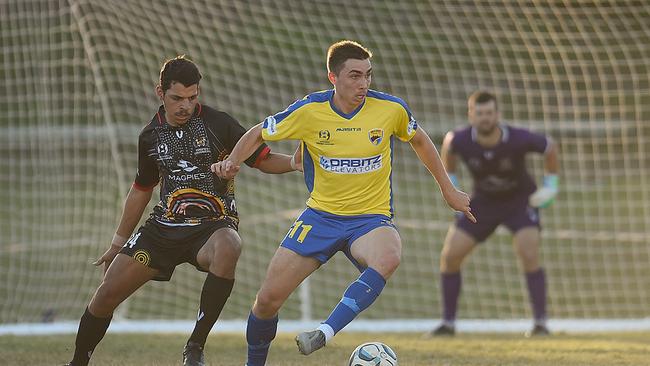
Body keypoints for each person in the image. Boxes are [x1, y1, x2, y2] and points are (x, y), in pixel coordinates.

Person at [211, 40, 474, 365]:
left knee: (389, 255)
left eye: (367, 75)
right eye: (354, 76)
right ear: (333, 77)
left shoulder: (390, 109)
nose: (363, 83)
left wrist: (448, 190)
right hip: (320, 217)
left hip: (370, 218)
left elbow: (420, 140)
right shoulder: (309, 111)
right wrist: (233, 161)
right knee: (266, 301)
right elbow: (257, 133)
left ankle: (325, 332)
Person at [64, 56, 298, 366]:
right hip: (163, 228)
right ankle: (77, 362)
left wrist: (295, 163)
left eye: (192, 97)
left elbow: (263, 159)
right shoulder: (150, 136)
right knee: (106, 295)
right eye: (177, 98)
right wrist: (117, 244)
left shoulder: (219, 123)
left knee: (230, 245)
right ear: (159, 93)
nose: (185, 105)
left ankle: (195, 347)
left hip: (212, 226)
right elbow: (141, 190)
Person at [428, 90, 559, 337]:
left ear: (497, 115)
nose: (484, 118)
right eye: (479, 113)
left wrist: (551, 186)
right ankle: (448, 324)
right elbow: (448, 148)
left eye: (489, 113)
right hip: (483, 204)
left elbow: (550, 147)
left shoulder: (518, 138)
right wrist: (453, 185)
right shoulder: (460, 139)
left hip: (520, 202)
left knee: (528, 251)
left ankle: (540, 323)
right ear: (471, 115)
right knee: (450, 256)